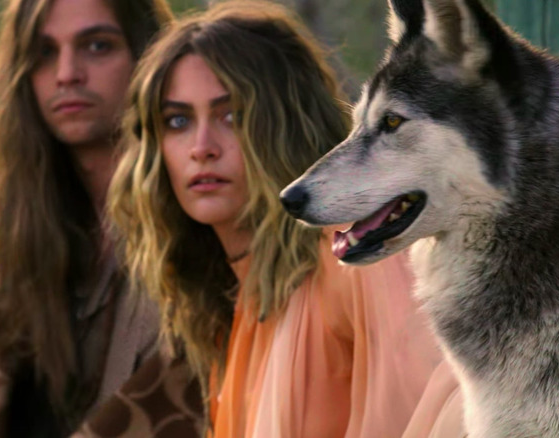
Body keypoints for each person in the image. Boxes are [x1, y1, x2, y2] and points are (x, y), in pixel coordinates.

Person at [108, 1, 465, 437]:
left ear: (285, 123)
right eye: (178, 120)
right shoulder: (236, 302)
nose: (201, 146)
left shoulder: (346, 253)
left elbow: (454, 388)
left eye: (232, 115)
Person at [0, 0, 203, 437]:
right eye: (44, 53)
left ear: (149, 53)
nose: (67, 73)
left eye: (97, 46)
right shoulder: (19, 236)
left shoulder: (199, 231)